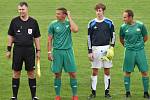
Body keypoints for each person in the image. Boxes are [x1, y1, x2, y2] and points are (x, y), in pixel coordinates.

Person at [6, 2, 41, 100]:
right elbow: (10, 36)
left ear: (27, 9)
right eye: (19, 9)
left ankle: (34, 96)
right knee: (16, 72)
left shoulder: (33, 22)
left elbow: (37, 37)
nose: (21, 11)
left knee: (31, 72)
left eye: (23, 9)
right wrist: (9, 49)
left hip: (29, 50)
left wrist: (38, 50)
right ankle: (14, 96)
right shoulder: (14, 21)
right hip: (17, 50)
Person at [47, 7, 78, 100]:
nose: (56, 15)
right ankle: (57, 95)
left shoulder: (69, 23)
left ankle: (75, 95)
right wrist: (49, 52)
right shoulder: (52, 24)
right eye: (56, 13)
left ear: (64, 15)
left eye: (58, 13)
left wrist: (70, 17)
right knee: (57, 74)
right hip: (57, 52)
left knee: (72, 73)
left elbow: (75, 30)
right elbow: (49, 40)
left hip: (68, 51)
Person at [87, 3, 115, 99]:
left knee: (107, 70)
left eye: (100, 10)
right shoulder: (91, 23)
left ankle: (107, 92)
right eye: (97, 10)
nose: (98, 12)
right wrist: (90, 51)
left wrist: (111, 47)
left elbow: (113, 36)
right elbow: (89, 38)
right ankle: (93, 92)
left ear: (103, 11)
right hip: (95, 49)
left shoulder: (109, 22)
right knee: (94, 71)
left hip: (107, 48)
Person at [119, 9, 150, 99]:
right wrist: (128, 46)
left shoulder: (140, 25)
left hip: (140, 52)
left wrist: (139, 45)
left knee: (144, 71)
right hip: (129, 52)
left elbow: (145, 37)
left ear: (130, 17)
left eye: (125, 17)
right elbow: (121, 39)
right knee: (127, 72)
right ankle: (127, 92)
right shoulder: (123, 27)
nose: (123, 19)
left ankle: (146, 92)